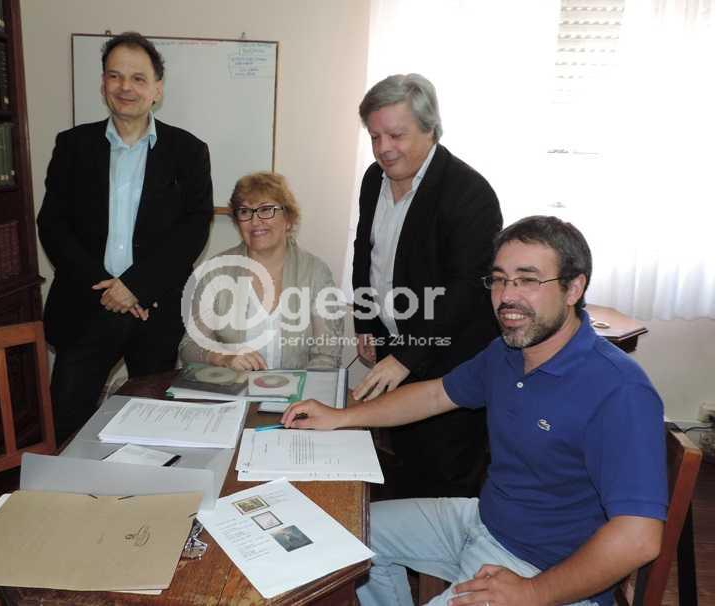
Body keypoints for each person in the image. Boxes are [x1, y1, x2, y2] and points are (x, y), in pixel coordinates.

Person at [283, 216, 667, 606]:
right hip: (483, 520)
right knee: (347, 536)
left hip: (542, 571)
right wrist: (342, 416)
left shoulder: (620, 389)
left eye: (527, 280)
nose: (506, 297)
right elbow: (435, 395)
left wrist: (533, 592)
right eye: (499, 279)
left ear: (574, 288)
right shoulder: (509, 350)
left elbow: (639, 537)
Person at [38, 32, 213, 444]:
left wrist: (135, 287)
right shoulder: (73, 146)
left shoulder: (188, 151)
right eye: (115, 76)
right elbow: (53, 224)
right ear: (103, 85)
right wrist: (107, 288)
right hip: (86, 307)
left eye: (138, 78)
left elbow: (193, 229)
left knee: (151, 430)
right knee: (67, 427)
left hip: (153, 312)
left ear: (157, 89)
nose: (125, 87)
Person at [352, 73, 502, 498]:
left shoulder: (469, 192)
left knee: (445, 477)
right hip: (395, 345)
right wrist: (366, 321)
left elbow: (466, 291)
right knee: (403, 462)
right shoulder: (373, 179)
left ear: (430, 128)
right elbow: (365, 253)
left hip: (449, 360)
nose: (383, 148)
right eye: (375, 136)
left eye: (396, 135)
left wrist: (405, 357)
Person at [180, 172, 342, 370]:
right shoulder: (215, 272)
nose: (255, 222)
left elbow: (327, 354)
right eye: (245, 212)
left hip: (299, 388)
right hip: (231, 387)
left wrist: (305, 387)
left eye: (266, 210)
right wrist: (222, 357)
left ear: (288, 219)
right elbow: (189, 346)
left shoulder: (316, 273)